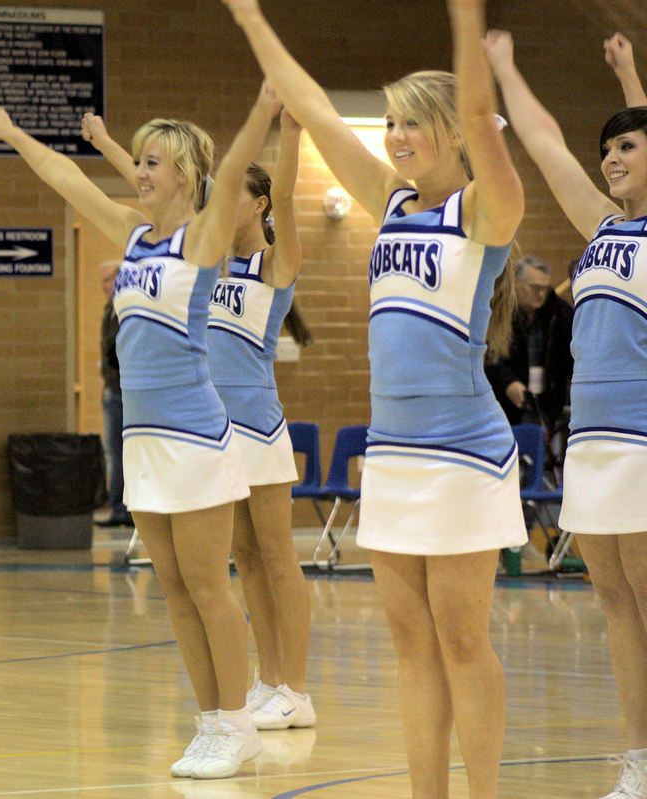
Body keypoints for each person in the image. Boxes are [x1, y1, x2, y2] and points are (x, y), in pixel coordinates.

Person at [224, 1, 525, 796]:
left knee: (462, 638)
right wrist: (251, 19)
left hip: (463, 453)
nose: (393, 136)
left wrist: (466, 21)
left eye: (410, 122)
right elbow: (313, 104)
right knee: (409, 639)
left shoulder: (485, 211)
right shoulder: (389, 201)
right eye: (388, 121)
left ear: (453, 134)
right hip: (393, 454)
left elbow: (480, 114)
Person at [0, 43, 280, 778]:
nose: (138, 172)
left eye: (151, 161)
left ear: (184, 171)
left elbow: (235, 166)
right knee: (173, 586)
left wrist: (263, 113)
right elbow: (65, 176)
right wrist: (14, 132)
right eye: (137, 161)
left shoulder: (202, 237)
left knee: (210, 585)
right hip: (142, 442)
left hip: (196, 438)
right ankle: (210, 719)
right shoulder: (133, 234)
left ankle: (237, 720)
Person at [82, 100, 316, 730]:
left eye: (233, 194)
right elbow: (151, 189)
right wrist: (107, 141)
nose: (218, 202)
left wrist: (286, 134)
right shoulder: (199, 257)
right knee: (239, 560)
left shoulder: (274, 264)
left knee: (275, 555)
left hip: (257, 426)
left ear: (258, 203)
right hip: (205, 429)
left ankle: (294, 686)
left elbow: (290, 197)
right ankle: (265, 681)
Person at [485, 28, 647, 799]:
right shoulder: (606, 229)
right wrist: (508, 70)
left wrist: (631, 77)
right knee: (613, 594)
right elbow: (548, 148)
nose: (612, 159)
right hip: (592, 440)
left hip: (645, 442)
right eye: (609, 148)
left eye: (628, 148)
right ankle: (637, 755)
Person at [484, 254, 573, 433]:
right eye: (535, 288)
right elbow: (491, 357)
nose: (541, 294)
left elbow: (571, 357)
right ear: (516, 283)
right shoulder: (499, 312)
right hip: (507, 405)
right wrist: (508, 382)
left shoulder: (561, 312)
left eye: (545, 288)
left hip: (550, 403)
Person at [96, 258, 132, 527]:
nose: (104, 286)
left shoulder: (127, 310)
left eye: (109, 280)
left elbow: (120, 352)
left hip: (125, 392)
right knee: (113, 453)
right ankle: (117, 505)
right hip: (112, 389)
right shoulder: (109, 309)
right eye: (103, 281)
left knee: (124, 453)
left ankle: (124, 508)